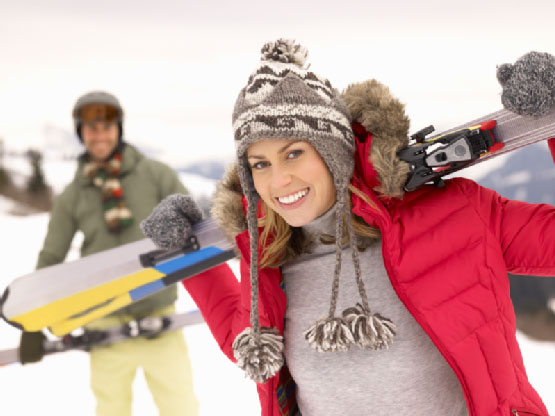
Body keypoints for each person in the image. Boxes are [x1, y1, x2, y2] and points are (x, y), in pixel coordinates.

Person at [141, 40, 555, 416]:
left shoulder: (455, 214)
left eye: (294, 154)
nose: (278, 181)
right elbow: (246, 338)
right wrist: (189, 252)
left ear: (332, 152)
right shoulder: (271, 258)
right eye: (260, 164)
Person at [20, 91, 199, 416]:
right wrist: (33, 322)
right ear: (81, 134)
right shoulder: (74, 194)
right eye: (90, 128)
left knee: (181, 407)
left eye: (105, 126)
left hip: (161, 320)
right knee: (111, 409)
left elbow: (194, 228)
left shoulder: (155, 175)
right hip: (104, 324)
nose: (99, 134)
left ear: (118, 128)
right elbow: (51, 257)